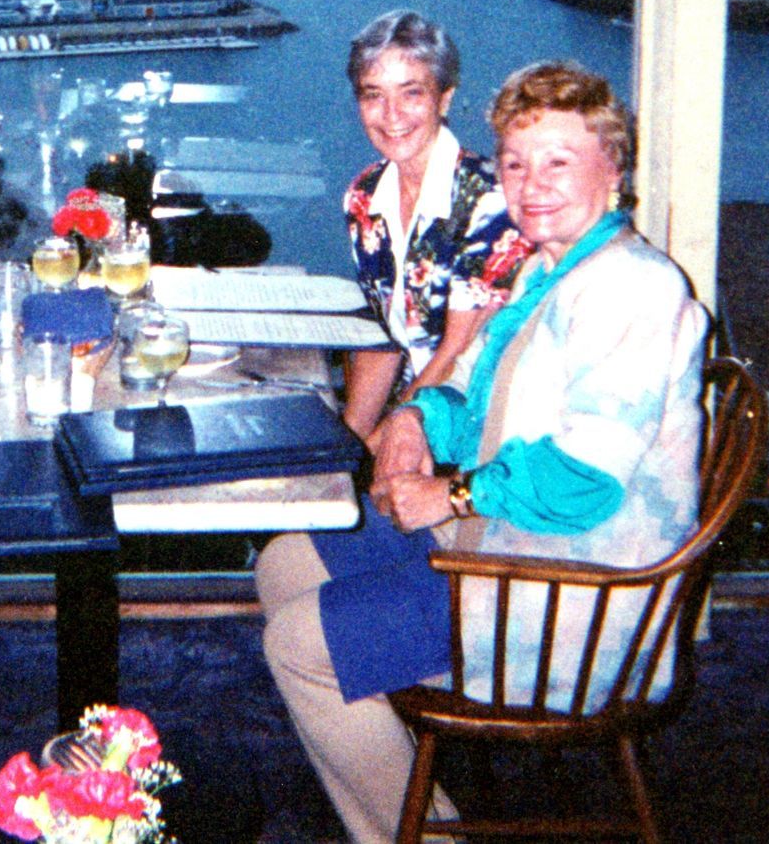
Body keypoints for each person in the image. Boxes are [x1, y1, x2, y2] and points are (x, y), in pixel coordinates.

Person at [257, 61, 709, 841]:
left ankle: (416, 832)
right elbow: (472, 387)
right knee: (286, 564)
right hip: (505, 540)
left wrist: (451, 494)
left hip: (569, 590)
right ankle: (401, 777)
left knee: (298, 646)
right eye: (515, 164)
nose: (532, 186)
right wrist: (414, 419)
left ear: (613, 168)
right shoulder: (549, 268)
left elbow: (583, 480)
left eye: (558, 162)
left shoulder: (632, 289)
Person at [338, 10, 528, 438]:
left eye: (411, 93)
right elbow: (382, 342)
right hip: (407, 415)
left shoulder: (490, 201)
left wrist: (374, 451)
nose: (391, 115)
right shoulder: (364, 196)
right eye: (373, 95)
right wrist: (349, 444)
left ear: (444, 99)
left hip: (470, 425)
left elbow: (456, 356)